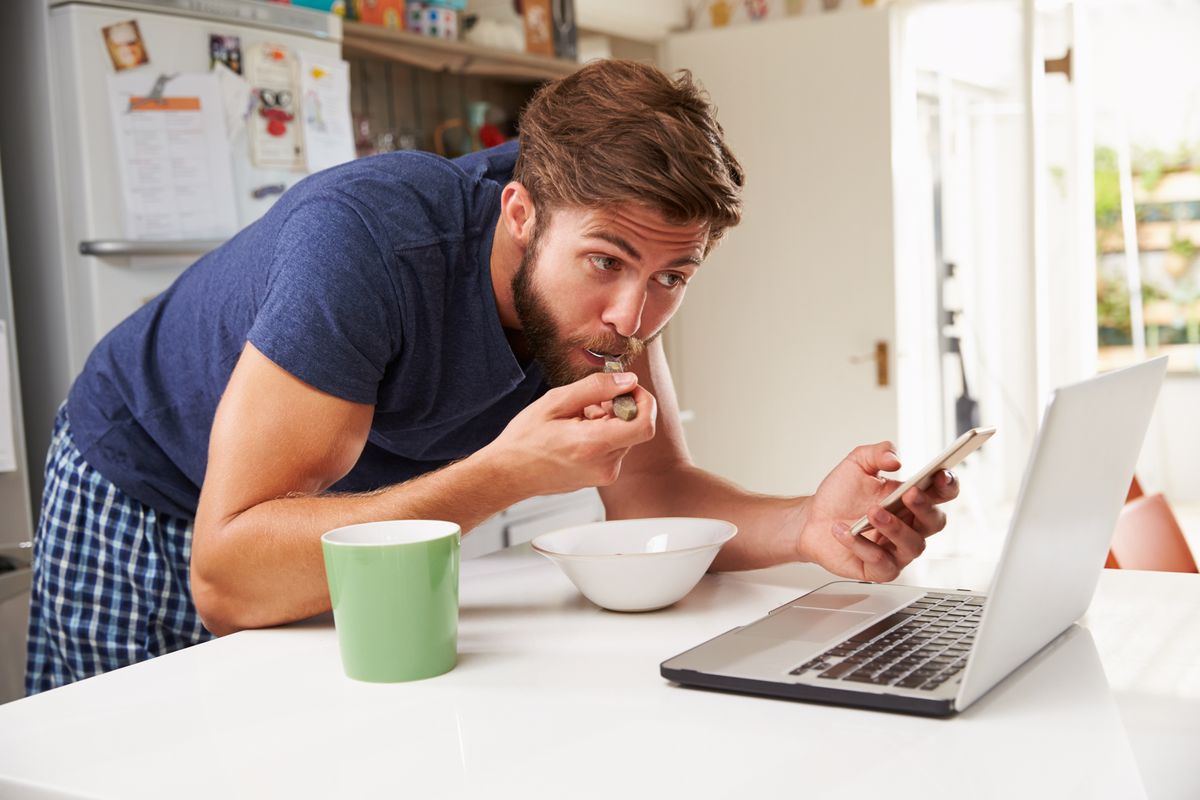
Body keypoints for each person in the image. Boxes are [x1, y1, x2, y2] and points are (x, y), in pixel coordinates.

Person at [25, 59, 958, 695]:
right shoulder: (368, 246)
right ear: (520, 213)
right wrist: (507, 472)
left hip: (317, 515)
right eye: (607, 262)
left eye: (674, 275)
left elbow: (655, 494)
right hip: (148, 484)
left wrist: (809, 524)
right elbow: (228, 577)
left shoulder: (612, 289)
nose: (634, 317)